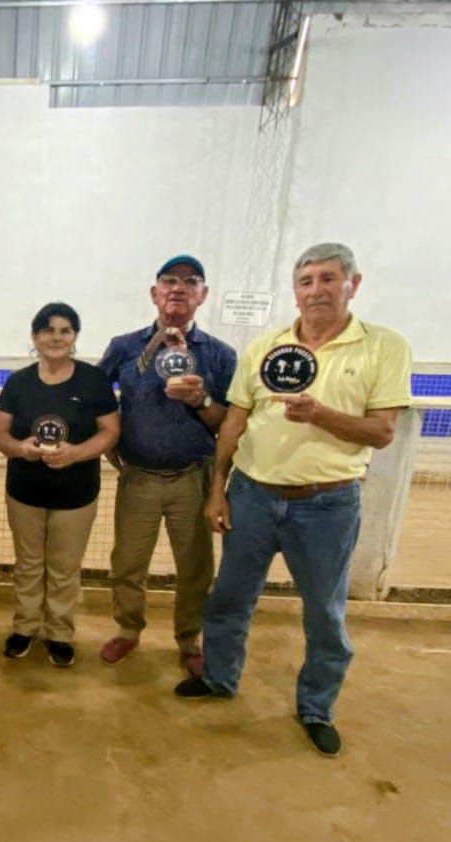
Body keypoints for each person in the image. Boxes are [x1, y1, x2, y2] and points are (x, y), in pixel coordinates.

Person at [174, 243, 412, 758]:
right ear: (295, 290)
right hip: (253, 495)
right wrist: (218, 487)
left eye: (328, 279)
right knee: (230, 598)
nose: (316, 290)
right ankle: (219, 678)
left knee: (325, 613)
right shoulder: (266, 347)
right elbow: (235, 422)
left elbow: (382, 432)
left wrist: (320, 415)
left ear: (353, 283)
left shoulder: (383, 347)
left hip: (327, 505)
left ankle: (316, 707)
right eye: (306, 281)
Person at [97, 255, 237, 676]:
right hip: (137, 476)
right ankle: (127, 629)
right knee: (127, 562)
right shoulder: (125, 347)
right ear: (154, 292)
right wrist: (109, 444)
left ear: (203, 295)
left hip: (192, 478)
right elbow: (96, 398)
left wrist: (201, 401)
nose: (178, 288)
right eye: (169, 281)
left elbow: (230, 424)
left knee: (195, 566)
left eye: (190, 281)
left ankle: (189, 638)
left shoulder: (218, 355)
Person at [0, 303, 120, 667]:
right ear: (35, 337)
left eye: (65, 330)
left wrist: (76, 453)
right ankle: (25, 627)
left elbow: (111, 431)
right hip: (25, 492)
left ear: (75, 337)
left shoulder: (92, 381)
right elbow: (0, 434)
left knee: (64, 568)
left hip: (76, 496)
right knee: (29, 564)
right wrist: (21, 449)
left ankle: (60, 634)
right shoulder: (19, 382)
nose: (56, 337)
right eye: (48, 330)